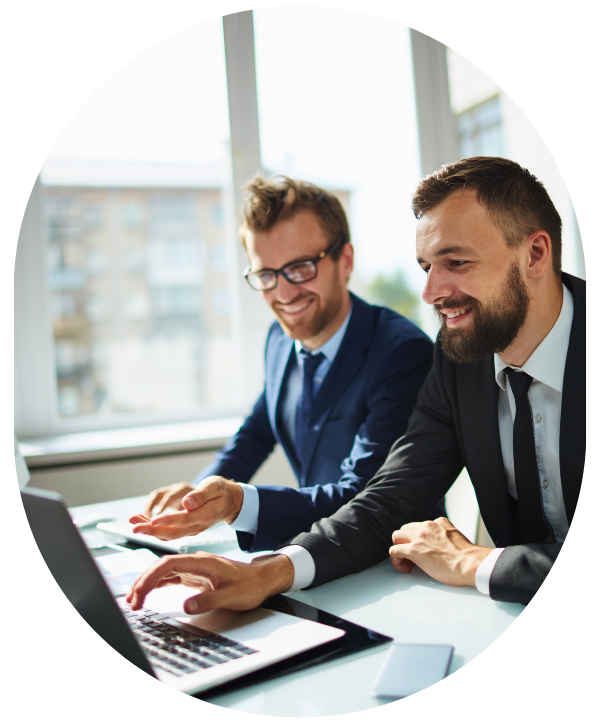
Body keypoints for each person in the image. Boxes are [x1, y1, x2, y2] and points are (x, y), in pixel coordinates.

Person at [128, 157, 584, 612]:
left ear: (535, 254)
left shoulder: (409, 350)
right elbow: (388, 498)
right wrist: (267, 572)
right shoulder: (459, 361)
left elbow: (456, 550)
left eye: (457, 262)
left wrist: (476, 563)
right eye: (426, 267)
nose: (430, 293)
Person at [129, 175, 436, 553]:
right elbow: (258, 430)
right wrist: (198, 498)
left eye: (301, 267)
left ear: (345, 261)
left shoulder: (401, 353)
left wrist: (239, 503)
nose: (284, 293)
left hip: (386, 562)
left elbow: (364, 495)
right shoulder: (279, 339)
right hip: (308, 552)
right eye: (267, 275)